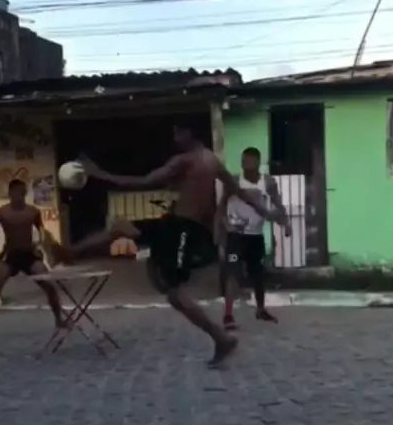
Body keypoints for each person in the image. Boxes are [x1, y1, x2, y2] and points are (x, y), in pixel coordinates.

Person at [47, 127, 287, 367]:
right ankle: (70, 252)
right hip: (175, 225)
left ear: (190, 134)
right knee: (121, 228)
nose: (175, 139)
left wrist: (98, 173)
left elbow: (143, 181)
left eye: (178, 134)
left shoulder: (185, 160)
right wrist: (267, 212)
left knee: (175, 294)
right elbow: (240, 192)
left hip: (183, 229)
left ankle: (221, 339)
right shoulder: (212, 161)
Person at [0, 178, 65, 337]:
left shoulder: (33, 212)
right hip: (10, 255)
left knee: (49, 286)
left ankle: (59, 320)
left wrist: (47, 253)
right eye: (16, 193)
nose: (19, 197)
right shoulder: (1, 213)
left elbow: (42, 233)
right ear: (10, 194)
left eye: (22, 193)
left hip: (29, 255)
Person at [214, 147, 291, 330]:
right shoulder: (234, 181)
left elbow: (278, 204)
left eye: (248, 161)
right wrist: (223, 226)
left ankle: (260, 309)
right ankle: (228, 315)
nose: (245, 164)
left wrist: (285, 223)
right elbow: (222, 205)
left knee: (257, 274)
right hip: (236, 237)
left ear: (257, 162)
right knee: (232, 273)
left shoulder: (268, 182)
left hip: (255, 236)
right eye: (243, 161)